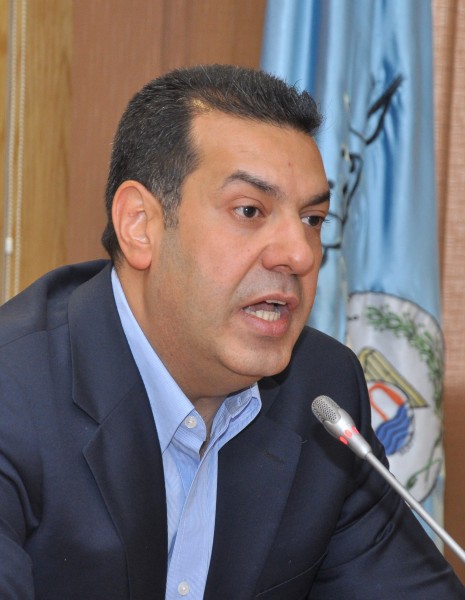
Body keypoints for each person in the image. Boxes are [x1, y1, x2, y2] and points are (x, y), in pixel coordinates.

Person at [0, 64, 464, 600]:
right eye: (250, 211)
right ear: (139, 225)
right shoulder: (15, 396)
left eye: (313, 219)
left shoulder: (321, 391)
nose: (299, 254)